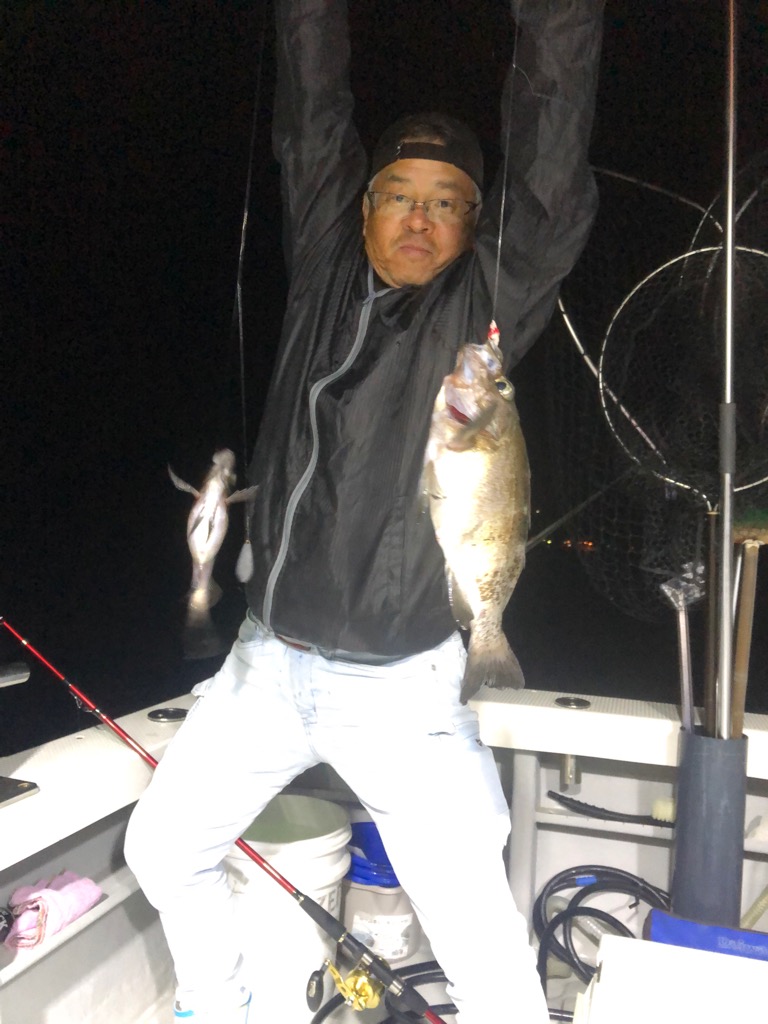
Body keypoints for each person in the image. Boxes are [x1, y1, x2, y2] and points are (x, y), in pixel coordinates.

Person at [125, 1, 604, 1021]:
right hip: (263, 666)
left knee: (486, 958)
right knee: (162, 850)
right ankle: (221, 1006)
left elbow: (551, 167)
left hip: (401, 691)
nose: (419, 219)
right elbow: (311, 105)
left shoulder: (481, 313)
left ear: (476, 227)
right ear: (362, 207)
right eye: (399, 196)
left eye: (448, 203)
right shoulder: (321, 269)